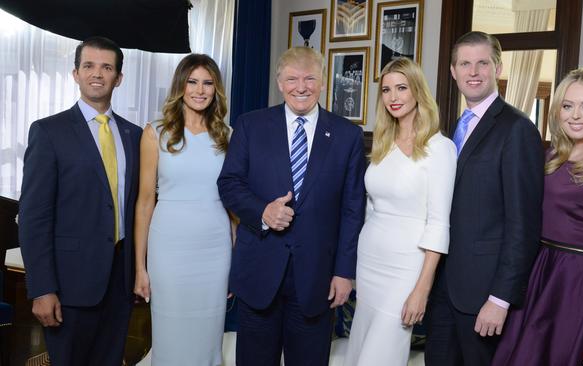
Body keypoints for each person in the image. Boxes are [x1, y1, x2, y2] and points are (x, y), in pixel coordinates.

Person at [217, 46, 366, 366]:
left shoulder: (347, 135)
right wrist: (263, 212)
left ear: (324, 82)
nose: (302, 86)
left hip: (317, 278)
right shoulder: (250, 125)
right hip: (259, 270)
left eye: (310, 78)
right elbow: (228, 184)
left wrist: (344, 272)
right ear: (280, 83)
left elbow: (353, 208)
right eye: (292, 79)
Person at [492, 66, 583, 366]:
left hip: (582, 285)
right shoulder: (547, 159)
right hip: (539, 275)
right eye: (568, 106)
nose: (576, 115)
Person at [18, 36, 142, 366]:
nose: (97, 74)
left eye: (106, 67)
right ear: (76, 73)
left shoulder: (135, 135)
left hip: (120, 283)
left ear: (119, 78)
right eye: (88, 66)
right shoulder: (48, 132)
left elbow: (141, 208)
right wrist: (41, 288)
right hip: (68, 285)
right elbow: (34, 218)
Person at [424, 31, 544, 366]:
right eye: (465, 63)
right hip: (443, 288)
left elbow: (524, 225)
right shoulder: (452, 129)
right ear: (453, 71)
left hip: (483, 293)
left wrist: (501, 298)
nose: (473, 71)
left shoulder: (517, 129)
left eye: (482, 63)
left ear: (498, 68)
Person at [343, 58, 456, 366]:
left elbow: (439, 223)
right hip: (370, 261)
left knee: (380, 354)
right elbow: (370, 207)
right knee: (362, 348)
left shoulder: (440, 148)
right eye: (387, 90)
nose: (393, 97)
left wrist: (423, 287)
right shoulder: (383, 143)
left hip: (406, 266)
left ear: (418, 91)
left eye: (402, 88)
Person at [133, 54, 232, 365]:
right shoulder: (155, 133)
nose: (200, 90)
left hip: (215, 250)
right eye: (192, 82)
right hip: (169, 249)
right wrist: (140, 266)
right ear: (181, 85)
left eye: (208, 83)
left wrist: (237, 260)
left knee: (208, 336)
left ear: (216, 89)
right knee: (170, 334)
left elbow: (234, 209)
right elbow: (145, 201)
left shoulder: (228, 137)